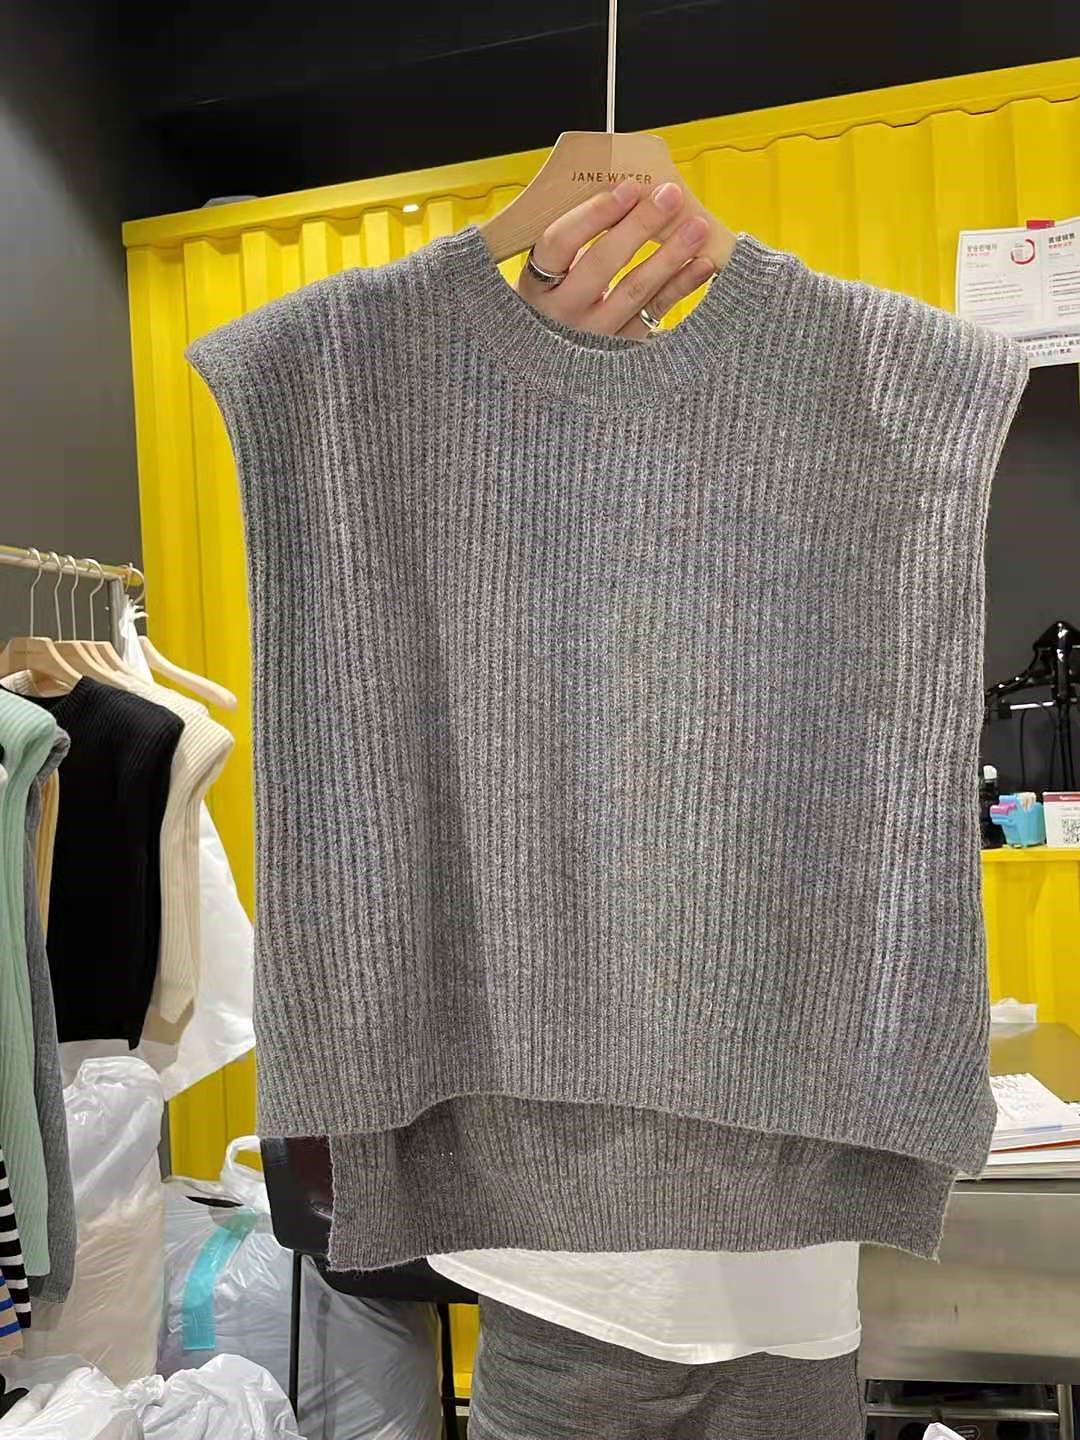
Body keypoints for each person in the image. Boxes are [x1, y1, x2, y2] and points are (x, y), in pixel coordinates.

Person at [426, 179, 865, 1440]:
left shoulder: (818, 504)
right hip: (562, 1281)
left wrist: (771, 297)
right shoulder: (494, 532)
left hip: (791, 1281)